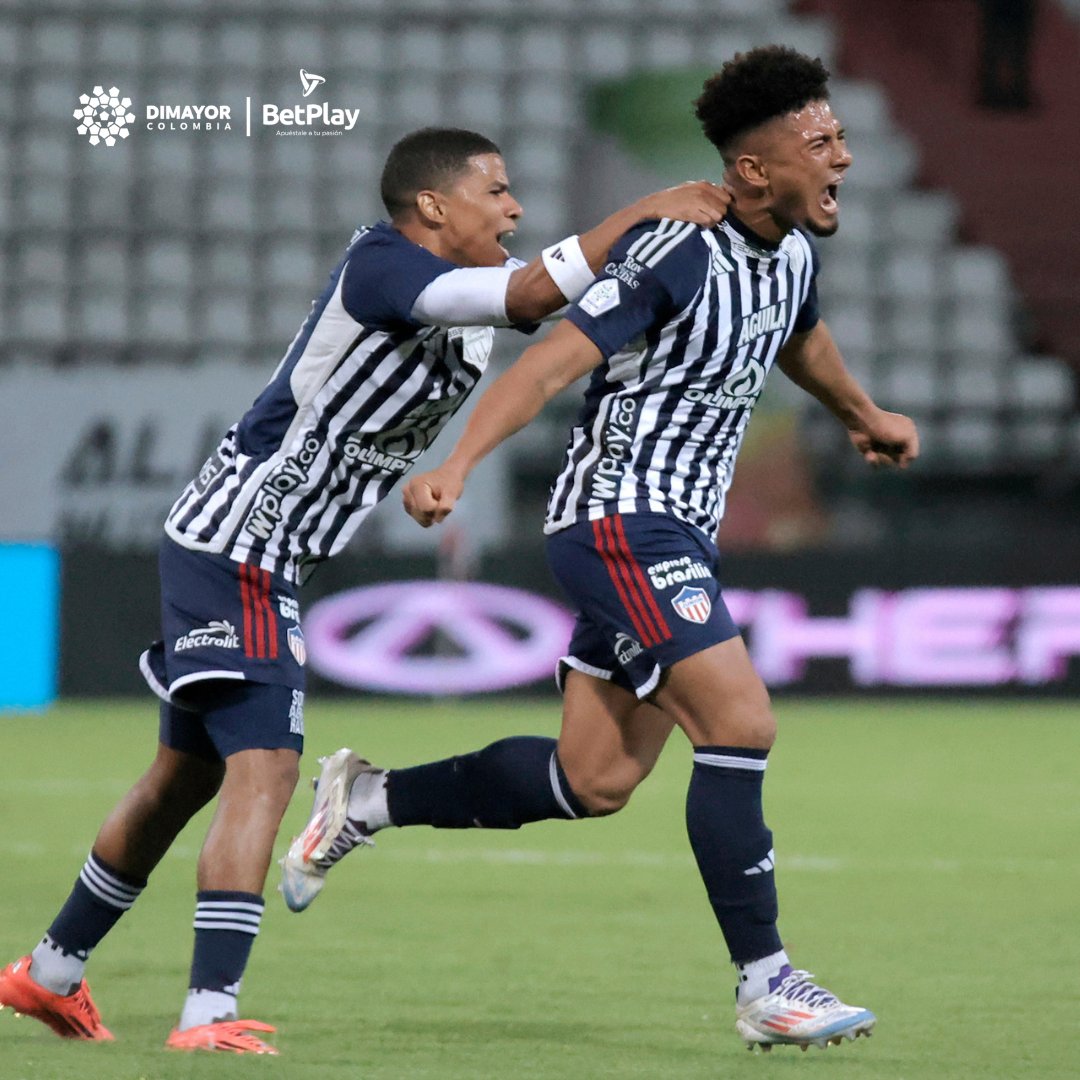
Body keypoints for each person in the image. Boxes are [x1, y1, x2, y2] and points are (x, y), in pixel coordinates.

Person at [0, 127, 730, 1054]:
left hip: (263, 550)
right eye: (496, 192)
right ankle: (207, 1016)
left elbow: (534, 310)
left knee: (183, 776)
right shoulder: (385, 266)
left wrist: (445, 470)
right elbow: (535, 292)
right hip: (242, 545)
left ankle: (50, 973)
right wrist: (645, 211)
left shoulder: (459, 301)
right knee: (263, 770)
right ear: (434, 207)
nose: (513, 208)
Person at [283, 48, 919, 1053]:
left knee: (593, 780)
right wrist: (461, 464)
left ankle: (370, 798)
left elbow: (798, 336)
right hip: (620, 521)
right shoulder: (678, 250)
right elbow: (553, 362)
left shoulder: (791, 254)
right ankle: (766, 985)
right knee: (740, 724)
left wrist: (862, 411)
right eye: (821, 139)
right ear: (753, 169)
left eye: (838, 134)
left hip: (674, 536)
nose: (842, 152)